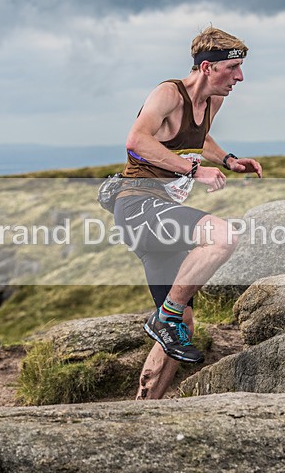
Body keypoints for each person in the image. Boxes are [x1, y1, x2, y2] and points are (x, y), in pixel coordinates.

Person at [112, 26, 262, 400]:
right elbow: (137, 140)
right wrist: (193, 170)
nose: (240, 77)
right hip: (138, 206)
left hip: (163, 213)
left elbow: (199, 137)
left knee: (183, 328)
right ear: (208, 67)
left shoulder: (212, 101)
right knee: (222, 236)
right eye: (233, 68)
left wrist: (227, 160)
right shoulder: (168, 94)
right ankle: (165, 316)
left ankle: (144, 410)